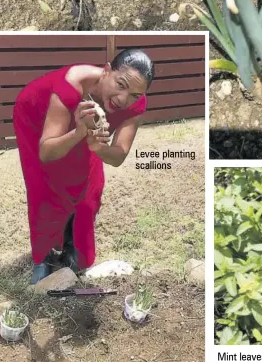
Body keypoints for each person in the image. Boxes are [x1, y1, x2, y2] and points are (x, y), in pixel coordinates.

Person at [12, 48, 155, 284]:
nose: (123, 99)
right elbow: (47, 152)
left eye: (135, 95)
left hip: (84, 125)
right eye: (121, 85)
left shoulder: (135, 104)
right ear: (107, 70)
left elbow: (118, 155)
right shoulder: (70, 87)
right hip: (35, 114)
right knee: (44, 185)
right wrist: (79, 132)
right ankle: (44, 255)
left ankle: (71, 245)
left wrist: (97, 147)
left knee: (90, 187)